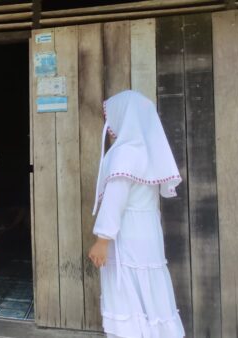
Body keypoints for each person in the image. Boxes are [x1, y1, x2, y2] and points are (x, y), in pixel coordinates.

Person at [87, 90, 185, 338]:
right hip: (148, 230)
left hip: (127, 233)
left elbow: (115, 200)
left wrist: (102, 239)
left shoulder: (125, 152)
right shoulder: (148, 151)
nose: (109, 126)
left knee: (127, 293)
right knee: (148, 293)